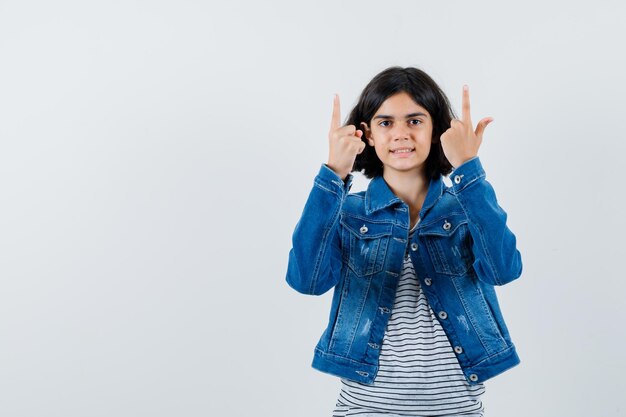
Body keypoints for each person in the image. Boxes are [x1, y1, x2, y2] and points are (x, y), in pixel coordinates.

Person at [285, 66, 523, 416]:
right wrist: (333, 173)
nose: (400, 134)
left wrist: (468, 167)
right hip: (365, 408)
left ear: (437, 130)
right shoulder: (347, 212)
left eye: (415, 121)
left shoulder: (468, 207)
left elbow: (504, 270)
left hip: (457, 408)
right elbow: (306, 280)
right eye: (385, 123)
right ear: (366, 133)